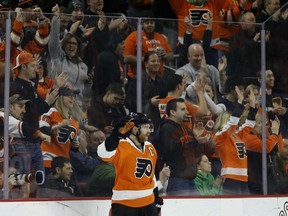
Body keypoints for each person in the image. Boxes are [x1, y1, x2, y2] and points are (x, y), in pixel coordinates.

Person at [97, 112, 159, 216]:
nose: (149, 131)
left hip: (149, 203)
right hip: (125, 204)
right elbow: (103, 153)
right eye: (145, 127)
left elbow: (151, 176)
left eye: (150, 127)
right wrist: (115, 136)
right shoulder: (120, 145)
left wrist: (156, 197)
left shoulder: (150, 147)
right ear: (135, 129)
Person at [10, 52, 59, 173]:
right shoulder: (16, 87)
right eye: (32, 66)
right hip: (23, 141)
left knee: (38, 179)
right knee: (24, 181)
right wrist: (47, 102)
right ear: (24, 67)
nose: (36, 69)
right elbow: (32, 112)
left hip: (34, 141)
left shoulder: (29, 86)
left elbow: (38, 108)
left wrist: (55, 88)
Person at [214, 86, 257, 195]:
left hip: (243, 178)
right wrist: (239, 101)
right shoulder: (220, 137)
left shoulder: (237, 135)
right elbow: (232, 123)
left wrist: (253, 105)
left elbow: (250, 124)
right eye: (229, 120)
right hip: (230, 178)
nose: (235, 122)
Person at [49, 4, 92, 106]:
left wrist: (89, 82)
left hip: (78, 105)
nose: (72, 46)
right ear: (64, 45)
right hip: (60, 104)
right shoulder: (58, 58)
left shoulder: (83, 66)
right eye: (69, 43)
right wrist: (56, 19)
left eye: (74, 43)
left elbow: (85, 90)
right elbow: (53, 43)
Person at [158, 98, 202, 195]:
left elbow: (194, 152)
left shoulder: (186, 128)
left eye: (186, 109)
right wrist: (191, 142)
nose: (186, 112)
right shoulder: (166, 128)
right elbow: (169, 151)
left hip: (191, 179)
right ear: (173, 112)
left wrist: (198, 141)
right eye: (182, 109)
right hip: (177, 179)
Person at [39, 86, 83, 173]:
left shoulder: (74, 121)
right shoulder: (50, 112)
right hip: (48, 160)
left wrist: (76, 145)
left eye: (74, 96)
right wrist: (58, 126)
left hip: (64, 164)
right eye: (69, 95)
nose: (72, 98)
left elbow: (74, 148)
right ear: (60, 97)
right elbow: (42, 132)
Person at [123, 13, 174, 79]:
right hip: (138, 77)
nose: (149, 25)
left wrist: (164, 55)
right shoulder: (134, 36)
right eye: (147, 23)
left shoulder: (160, 37)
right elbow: (126, 58)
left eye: (151, 22)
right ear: (142, 24)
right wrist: (146, 60)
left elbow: (171, 55)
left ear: (154, 24)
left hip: (158, 77)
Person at [125, 51, 167, 128]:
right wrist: (150, 102)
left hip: (157, 122)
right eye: (153, 61)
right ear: (146, 64)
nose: (157, 63)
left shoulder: (161, 81)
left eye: (158, 61)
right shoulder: (138, 81)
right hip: (141, 122)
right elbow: (129, 102)